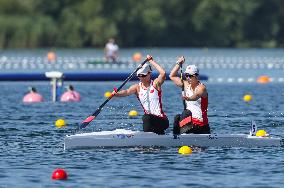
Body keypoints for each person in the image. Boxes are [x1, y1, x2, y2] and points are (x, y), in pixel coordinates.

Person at [112, 55, 169, 135]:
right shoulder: (137, 87)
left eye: (143, 75)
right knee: (147, 118)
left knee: (146, 117)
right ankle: (156, 137)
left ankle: (146, 140)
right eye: (139, 76)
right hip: (151, 122)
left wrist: (151, 61)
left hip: (162, 120)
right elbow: (126, 92)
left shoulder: (155, 84)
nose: (141, 78)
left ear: (149, 74)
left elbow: (163, 73)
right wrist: (116, 94)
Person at [169, 56, 210, 135]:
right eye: (186, 75)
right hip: (190, 123)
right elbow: (172, 76)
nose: (188, 78)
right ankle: (175, 137)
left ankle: (184, 137)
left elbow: (196, 95)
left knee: (186, 112)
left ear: (196, 76)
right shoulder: (186, 85)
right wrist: (178, 63)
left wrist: (189, 98)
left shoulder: (201, 88)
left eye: (190, 76)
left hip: (201, 125)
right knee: (177, 117)